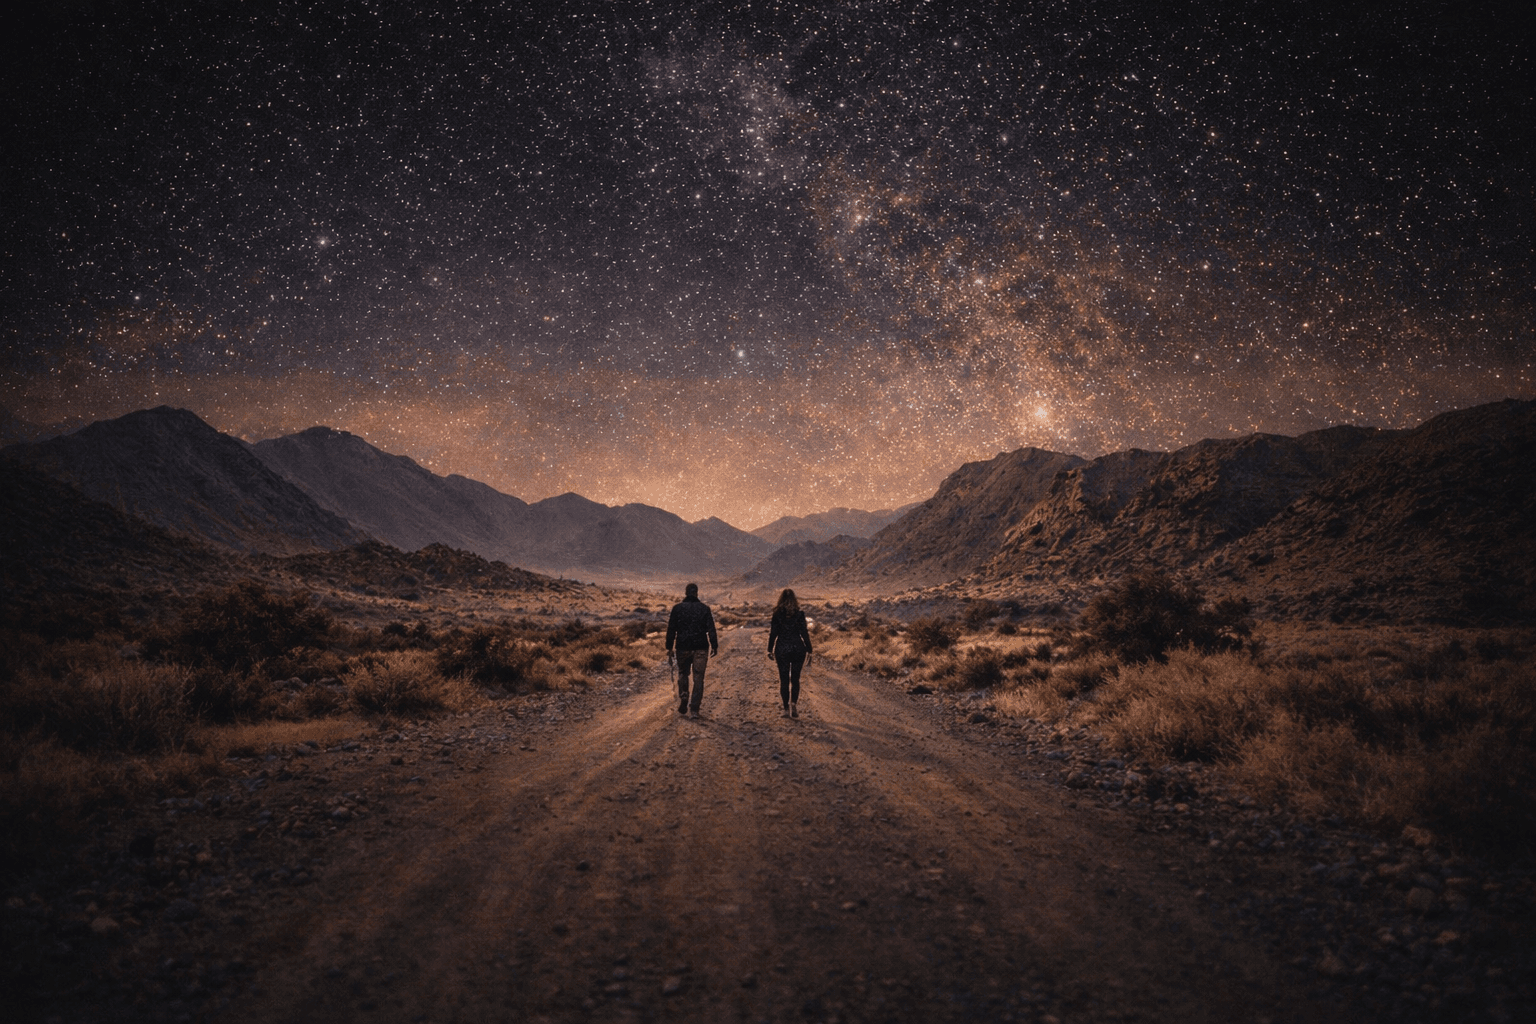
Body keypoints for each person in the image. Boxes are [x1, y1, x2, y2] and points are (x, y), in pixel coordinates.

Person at [665, 582, 718, 719]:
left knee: (683, 673)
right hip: (701, 647)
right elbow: (711, 629)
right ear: (697, 593)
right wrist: (714, 645)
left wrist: (669, 647)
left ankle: (684, 695)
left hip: (682, 647)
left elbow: (671, 629)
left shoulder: (677, 609)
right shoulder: (704, 609)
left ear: (685, 593)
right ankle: (694, 709)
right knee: (698, 678)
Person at [766, 588, 812, 718]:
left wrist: (769, 649)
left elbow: (773, 633)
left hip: (782, 649)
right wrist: (809, 649)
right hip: (798, 648)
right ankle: (793, 704)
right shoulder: (800, 614)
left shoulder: (777, 614)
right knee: (795, 679)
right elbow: (804, 633)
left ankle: (786, 709)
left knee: (784, 679)